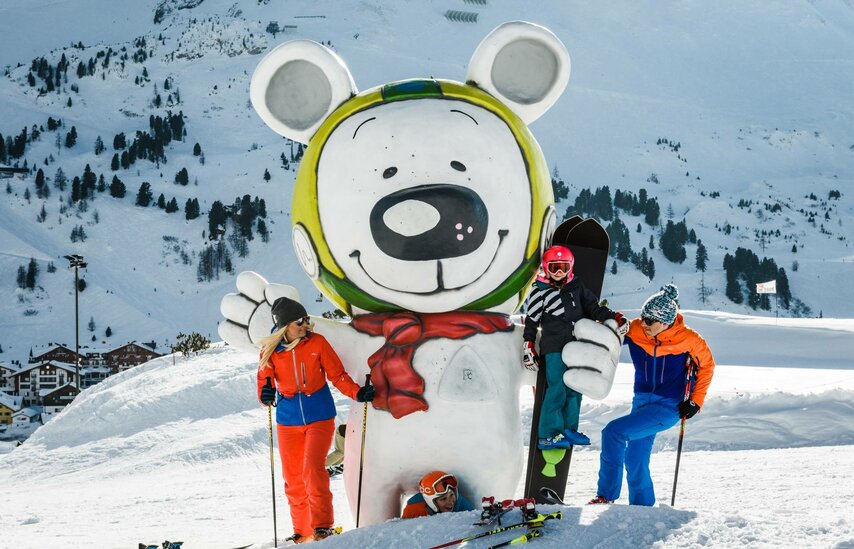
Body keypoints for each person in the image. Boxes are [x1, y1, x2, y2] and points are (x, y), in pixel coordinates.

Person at [257, 297, 375, 543]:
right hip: (288, 420)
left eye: (306, 319)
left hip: (319, 414)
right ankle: (302, 532)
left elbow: (337, 374)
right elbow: (264, 383)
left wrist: (356, 392)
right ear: (285, 325)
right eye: (299, 321)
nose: (305, 325)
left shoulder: (317, 343)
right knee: (293, 479)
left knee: (312, 470)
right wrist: (265, 395)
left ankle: (322, 527)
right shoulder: (271, 351)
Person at [588, 284, 715, 506]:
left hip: (667, 408)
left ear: (665, 323)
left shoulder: (689, 339)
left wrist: (696, 401)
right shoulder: (636, 328)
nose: (643, 324)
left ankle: (605, 496)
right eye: (642, 317)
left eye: (649, 321)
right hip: (641, 404)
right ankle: (643, 509)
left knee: (613, 432)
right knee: (635, 459)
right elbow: (611, 337)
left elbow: (707, 367)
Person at [522, 245, 625, 450]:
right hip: (554, 347)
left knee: (576, 387)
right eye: (554, 268)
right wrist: (529, 346)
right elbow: (532, 321)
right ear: (546, 268)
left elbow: (593, 308)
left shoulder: (577, 287)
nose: (558, 272)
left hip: (578, 347)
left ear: (570, 268)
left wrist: (613, 317)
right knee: (557, 388)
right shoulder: (540, 291)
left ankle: (569, 429)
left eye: (563, 267)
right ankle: (549, 434)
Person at [401, 471, 475, 519]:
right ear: (431, 502)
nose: (450, 502)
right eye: (443, 499)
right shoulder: (414, 507)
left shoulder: (462, 505)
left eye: (451, 495)